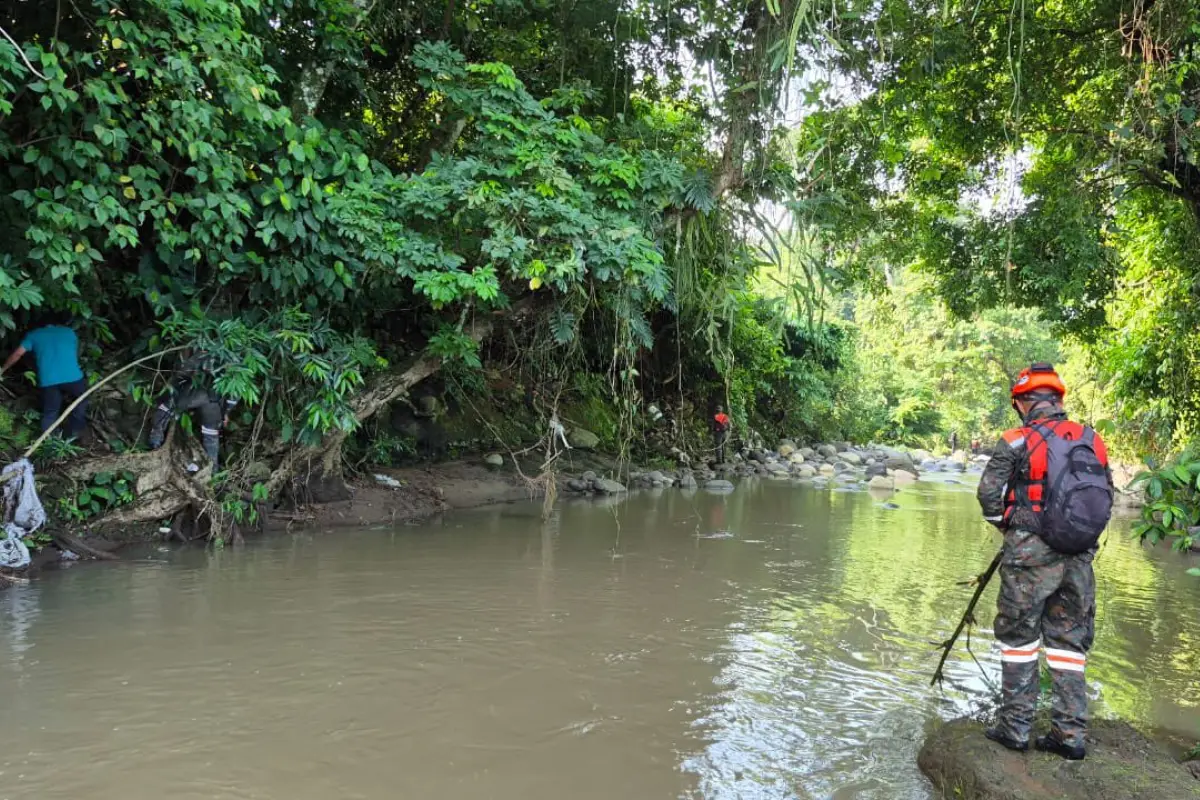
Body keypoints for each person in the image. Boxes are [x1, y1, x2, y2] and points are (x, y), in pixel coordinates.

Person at [976, 363, 1113, 761]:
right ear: (1058, 400)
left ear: (1021, 403)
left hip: (1029, 558)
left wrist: (1010, 529)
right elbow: (1106, 499)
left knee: (1019, 639)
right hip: (1078, 558)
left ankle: (1015, 729)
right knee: (1069, 643)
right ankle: (1069, 735)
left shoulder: (1016, 439)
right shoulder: (1092, 439)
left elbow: (988, 496)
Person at [1, 312, 88, 437]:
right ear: (57, 323)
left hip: (48, 380)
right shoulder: (69, 332)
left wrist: (3, 369)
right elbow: (74, 351)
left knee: (50, 412)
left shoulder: (34, 335)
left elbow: (17, 354)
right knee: (81, 400)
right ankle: (73, 434)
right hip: (73, 377)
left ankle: (50, 442)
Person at [148, 351, 238, 470]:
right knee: (211, 436)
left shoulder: (203, 354)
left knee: (166, 407)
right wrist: (226, 412)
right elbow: (234, 395)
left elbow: (181, 374)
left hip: (194, 395)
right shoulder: (235, 364)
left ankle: (155, 444)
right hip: (214, 404)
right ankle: (212, 471)